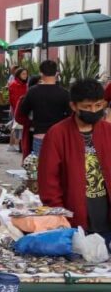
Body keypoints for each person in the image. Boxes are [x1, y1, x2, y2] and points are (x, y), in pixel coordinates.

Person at [37, 79, 111, 244]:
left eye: (98, 106)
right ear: (74, 106)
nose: (93, 111)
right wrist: (59, 215)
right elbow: (48, 181)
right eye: (87, 107)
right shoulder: (57, 134)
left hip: (107, 219)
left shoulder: (108, 131)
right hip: (74, 221)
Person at [15, 60, 71, 157]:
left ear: (41, 73)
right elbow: (71, 115)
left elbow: (22, 113)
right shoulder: (65, 93)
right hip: (58, 136)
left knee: (39, 167)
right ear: (57, 73)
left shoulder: (32, 92)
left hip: (39, 134)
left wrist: (33, 123)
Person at [8, 67, 29, 149]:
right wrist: (18, 109)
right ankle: (13, 144)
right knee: (16, 126)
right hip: (17, 107)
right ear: (18, 74)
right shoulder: (15, 84)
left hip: (22, 107)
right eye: (23, 74)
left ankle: (15, 144)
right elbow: (13, 99)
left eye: (26, 74)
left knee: (17, 126)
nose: (25, 76)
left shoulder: (24, 84)